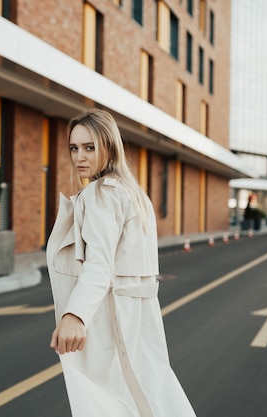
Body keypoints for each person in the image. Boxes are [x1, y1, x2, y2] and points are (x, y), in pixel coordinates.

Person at [46, 109, 197, 417]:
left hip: (112, 319)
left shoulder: (102, 192)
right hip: (138, 316)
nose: (80, 157)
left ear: (110, 147)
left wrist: (75, 314)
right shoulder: (133, 193)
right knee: (151, 396)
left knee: (111, 402)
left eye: (90, 147)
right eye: (74, 148)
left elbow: (100, 263)